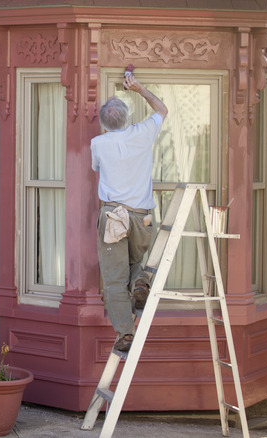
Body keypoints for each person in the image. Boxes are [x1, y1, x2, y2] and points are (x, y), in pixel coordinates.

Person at [91, 73, 168, 352]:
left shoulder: (98, 143)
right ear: (127, 119)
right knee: (136, 262)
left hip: (113, 218)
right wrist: (139, 88)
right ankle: (139, 283)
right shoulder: (143, 132)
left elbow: (96, 168)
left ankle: (125, 333)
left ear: (104, 123)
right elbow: (162, 110)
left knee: (114, 278)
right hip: (141, 216)